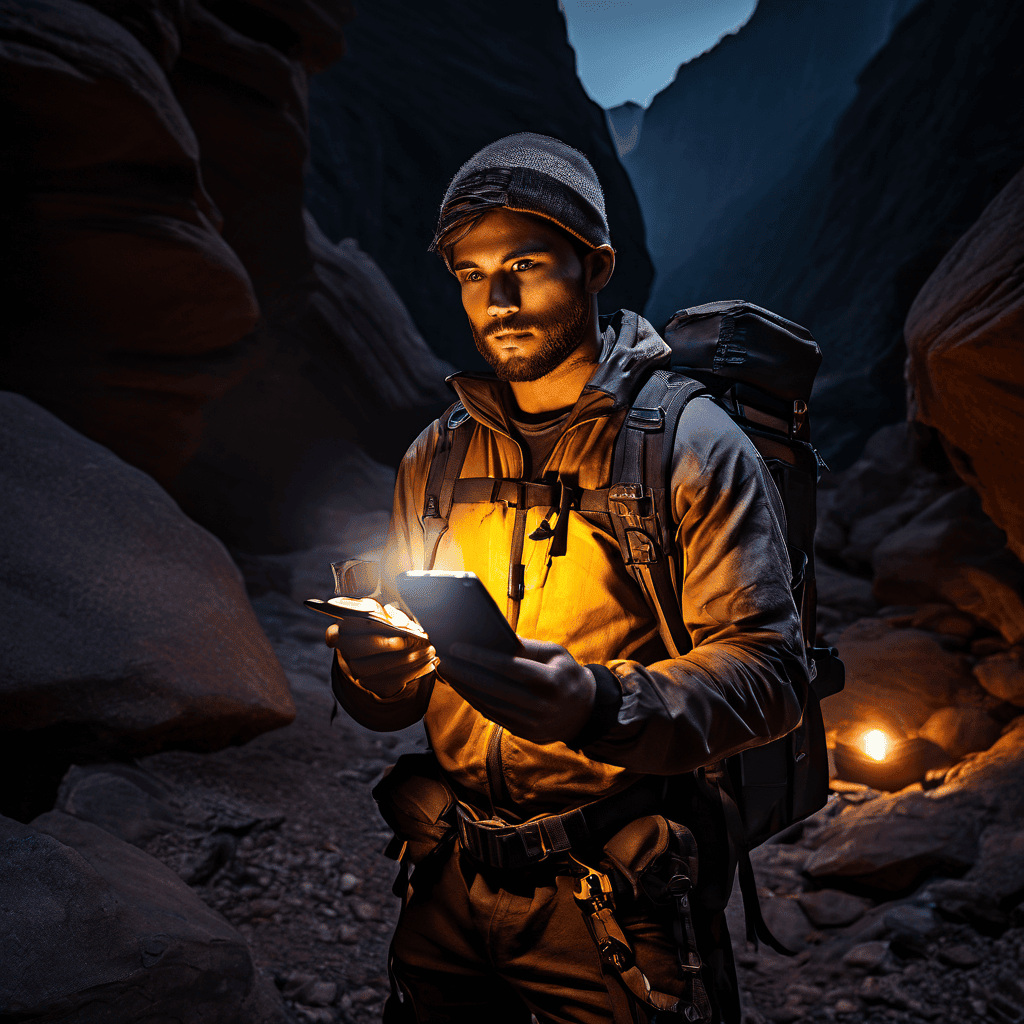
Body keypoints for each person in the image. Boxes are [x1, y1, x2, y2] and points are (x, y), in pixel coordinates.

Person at [325, 133, 808, 1024]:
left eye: (526, 264)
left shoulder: (687, 448)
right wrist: (370, 670)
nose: (496, 300)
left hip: (616, 895)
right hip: (447, 878)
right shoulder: (434, 458)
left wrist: (596, 703)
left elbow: (774, 673)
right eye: (471, 274)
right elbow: (387, 704)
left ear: (598, 267)